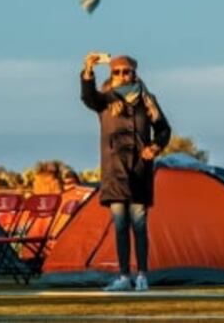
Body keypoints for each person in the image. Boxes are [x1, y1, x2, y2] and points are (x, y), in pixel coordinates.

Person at [81, 52, 171, 292]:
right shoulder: (105, 99)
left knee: (139, 224)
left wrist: (155, 147)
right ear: (111, 75)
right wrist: (88, 70)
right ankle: (123, 276)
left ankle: (142, 275)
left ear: (134, 73)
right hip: (115, 170)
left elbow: (163, 129)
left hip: (139, 169)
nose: (122, 75)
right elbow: (88, 97)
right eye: (116, 72)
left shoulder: (147, 100)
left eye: (126, 71)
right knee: (120, 225)